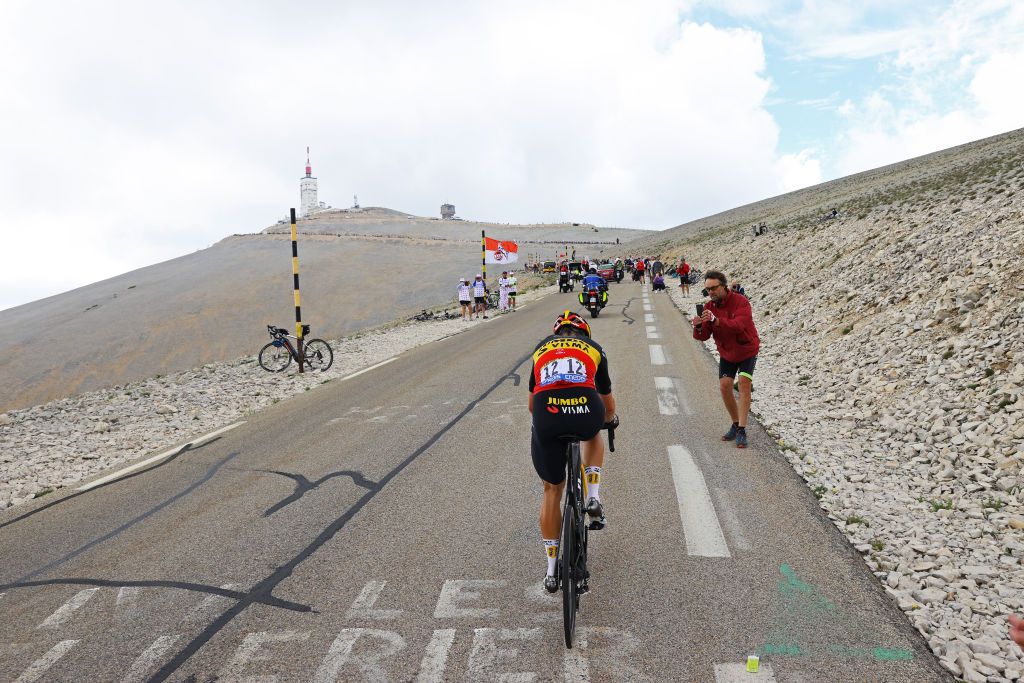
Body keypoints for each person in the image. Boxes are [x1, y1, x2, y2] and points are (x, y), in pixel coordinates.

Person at [529, 311, 617, 592]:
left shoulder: (540, 349)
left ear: (556, 335)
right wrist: (609, 420)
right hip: (584, 409)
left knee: (551, 489)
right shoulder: (595, 349)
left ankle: (551, 570)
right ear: (585, 334)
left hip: (547, 413)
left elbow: (532, 405)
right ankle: (593, 497)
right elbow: (609, 406)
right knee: (594, 430)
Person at [692, 270, 760, 449]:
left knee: (744, 383)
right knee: (724, 386)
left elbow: (739, 325)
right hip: (727, 352)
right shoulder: (709, 307)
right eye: (707, 289)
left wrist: (716, 321)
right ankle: (736, 424)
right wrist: (699, 327)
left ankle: (743, 430)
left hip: (746, 349)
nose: (711, 292)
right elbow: (704, 336)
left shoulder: (741, 301)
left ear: (723, 285)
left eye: (714, 288)